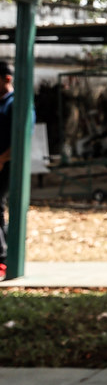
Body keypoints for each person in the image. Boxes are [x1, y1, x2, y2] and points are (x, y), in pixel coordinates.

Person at [0, 60, 15, 281]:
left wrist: (2, 159)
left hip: (7, 166)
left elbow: (21, 138)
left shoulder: (16, 104)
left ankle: (3, 258)